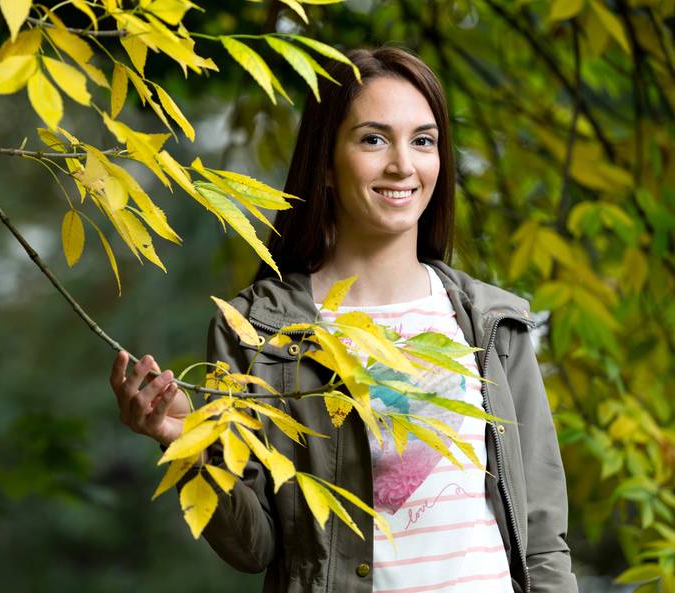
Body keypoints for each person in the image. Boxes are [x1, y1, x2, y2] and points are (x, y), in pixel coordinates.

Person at [109, 45, 577, 593]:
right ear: (326, 163)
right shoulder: (259, 331)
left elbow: (542, 539)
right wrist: (181, 438)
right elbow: (253, 547)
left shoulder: (493, 324)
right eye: (373, 139)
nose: (403, 164)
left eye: (423, 141)